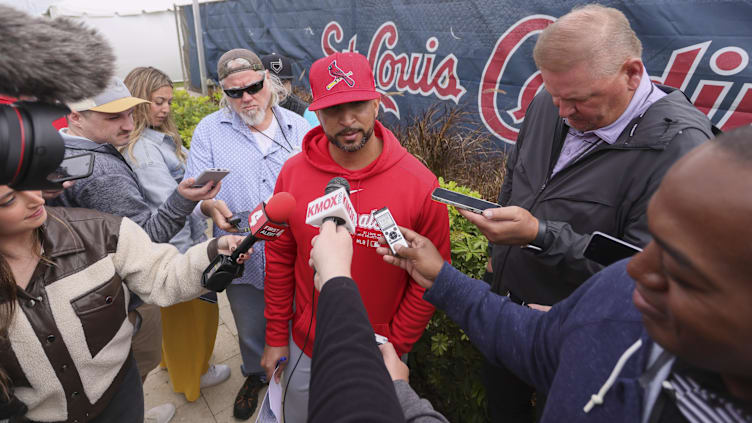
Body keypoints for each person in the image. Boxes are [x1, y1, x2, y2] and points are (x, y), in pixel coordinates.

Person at [379, 125, 752, 423]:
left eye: (683, 269)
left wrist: (405, 408)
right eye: (655, 241)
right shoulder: (622, 296)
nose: (635, 269)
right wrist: (444, 279)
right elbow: (536, 342)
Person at [471, 4, 715, 421]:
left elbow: (642, 271)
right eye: (554, 95)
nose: (562, 111)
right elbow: (518, 172)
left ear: (632, 74)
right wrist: (502, 255)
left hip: (582, 340)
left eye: (579, 100)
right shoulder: (556, 99)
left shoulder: (680, 148)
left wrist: (540, 235)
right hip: (509, 308)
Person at [262, 51, 451, 423]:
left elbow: (429, 278)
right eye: (333, 109)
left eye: (358, 104)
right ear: (315, 113)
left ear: (377, 103)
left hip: (381, 353)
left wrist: (394, 343)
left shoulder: (419, 184)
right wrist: (275, 336)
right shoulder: (294, 173)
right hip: (305, 348)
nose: (348, 121)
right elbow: (281, 257)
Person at [47, 76, 220, 423]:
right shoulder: (101, 173)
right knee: (132, 368)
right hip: (116, 299)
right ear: (75, 116)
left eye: (129, 112)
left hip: (87, 297)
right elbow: (145, 240)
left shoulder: (63, 150)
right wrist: (184, 201)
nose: (128, 125)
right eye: (112, 117)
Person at [0, 186, 246, 423]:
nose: (37, 199)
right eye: (9, 199)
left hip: (120, 395)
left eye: (29, 183)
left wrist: (212, 254)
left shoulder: (102, 231)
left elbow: (162, 277)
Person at [184, 48, 311, 420]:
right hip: (243, 253)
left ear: (268, 82)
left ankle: (295, 375)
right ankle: (256, 376)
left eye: (253, 87)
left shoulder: (299, 128)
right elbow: (193, 191)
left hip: (296, 252)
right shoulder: (210, 130)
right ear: (223, 93)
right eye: (234, 92)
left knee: (299, 320)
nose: (245, 98)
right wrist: (210, 207)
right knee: (249, 323)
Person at [122, 66, 232, 403]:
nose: (166, 108)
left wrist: (205, 206)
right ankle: (193, 380)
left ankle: (175, 366)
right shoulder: (146, 151)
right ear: (138, 100)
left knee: (175, 326)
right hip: (180, 252)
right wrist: (193, 260)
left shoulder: (152, 141)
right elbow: (166, 208)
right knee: (195, 320)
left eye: (169, 101)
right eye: (158, 101)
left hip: (171, 251)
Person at [308, 221, 448, 423]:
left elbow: (353, 412)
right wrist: (399, 388)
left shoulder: (423, 191)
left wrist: (334, 277)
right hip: (309, 343)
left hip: (385, 351)